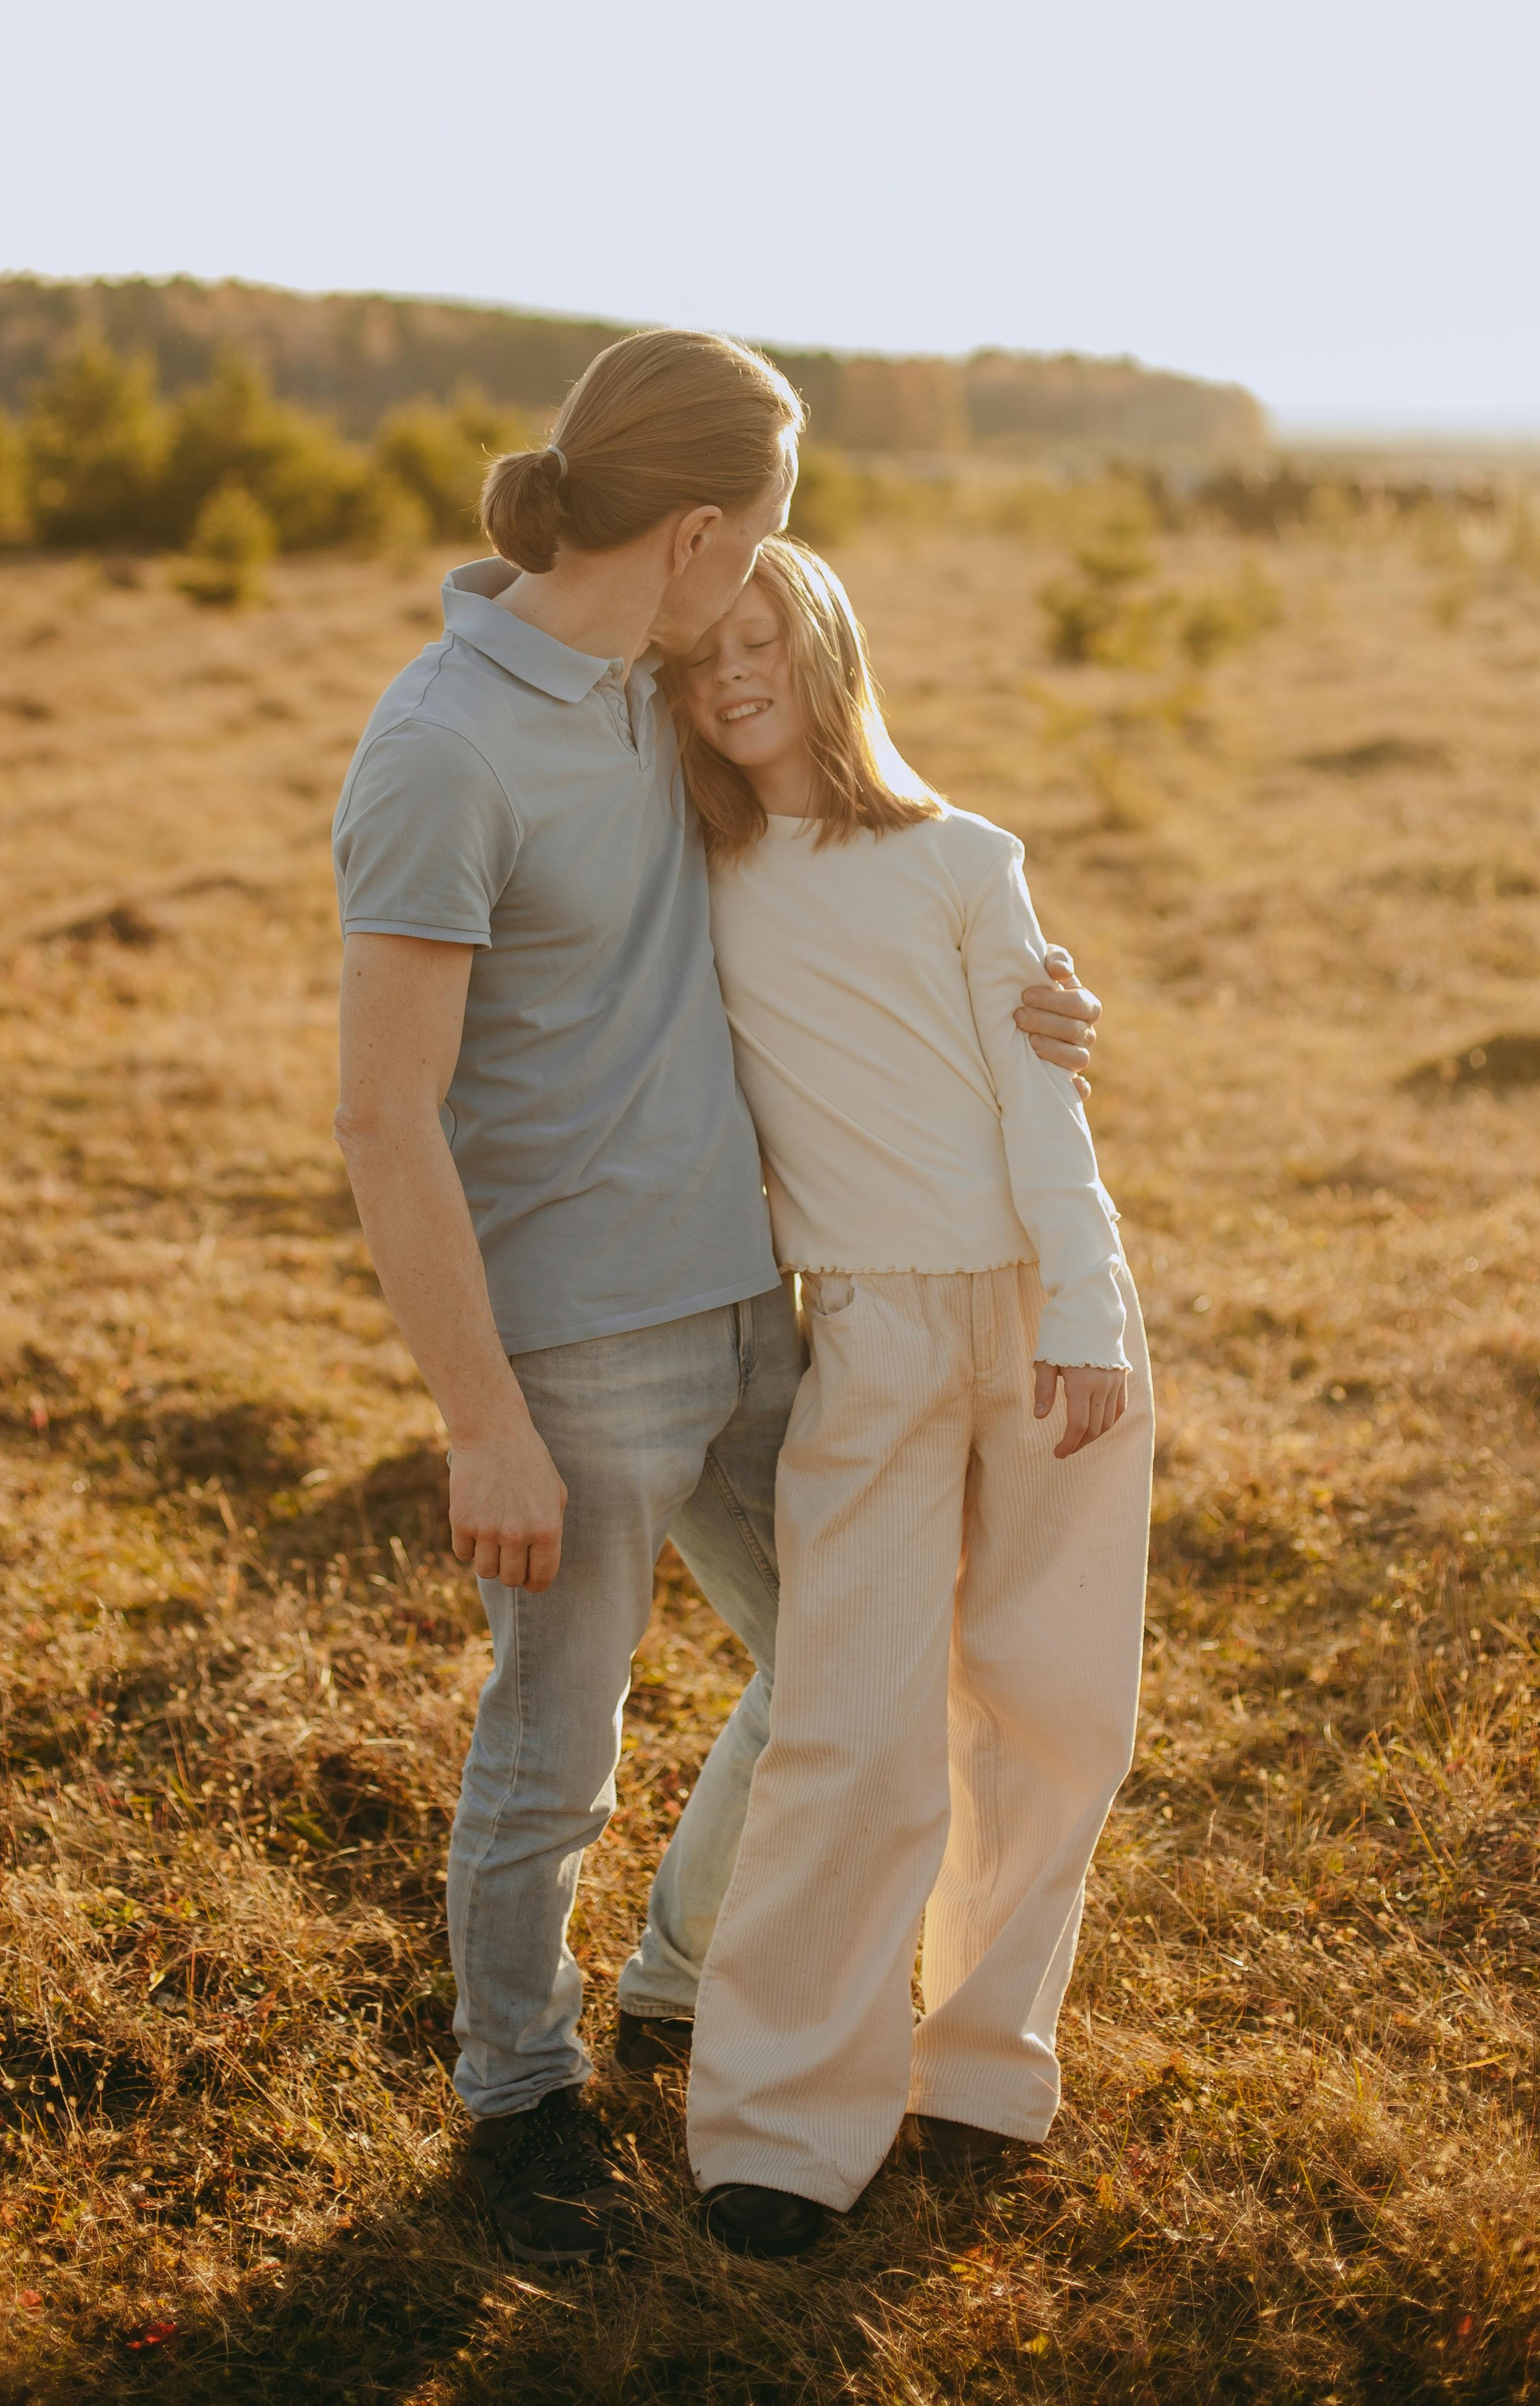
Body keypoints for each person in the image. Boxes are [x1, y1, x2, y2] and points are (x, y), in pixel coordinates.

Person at [329, 331, 1103, 2266]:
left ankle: (683, 1976)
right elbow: (378, 1117)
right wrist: (481, 1417)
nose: (764, 571)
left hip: (768, 1318)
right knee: (551, 1749)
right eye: (757, 529)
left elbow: (839, 879)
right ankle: (518, 2094)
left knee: (840, 1663)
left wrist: (1019, 996)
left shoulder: (650, 694)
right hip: (574, 1359)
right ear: (693, 530)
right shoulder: (441, 746)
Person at [664, 539, 1154, 2260]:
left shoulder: (963, 860)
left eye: (760, 636)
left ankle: (978, 2066)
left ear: (823, 646)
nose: (733, 674)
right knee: (849, 1723)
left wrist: (1084, 1313)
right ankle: (780, 2127)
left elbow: (1042, 1114)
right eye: (698, 648)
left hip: (1039, 1313)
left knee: (1048, 1700)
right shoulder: (685, 877)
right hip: (861, 1328)